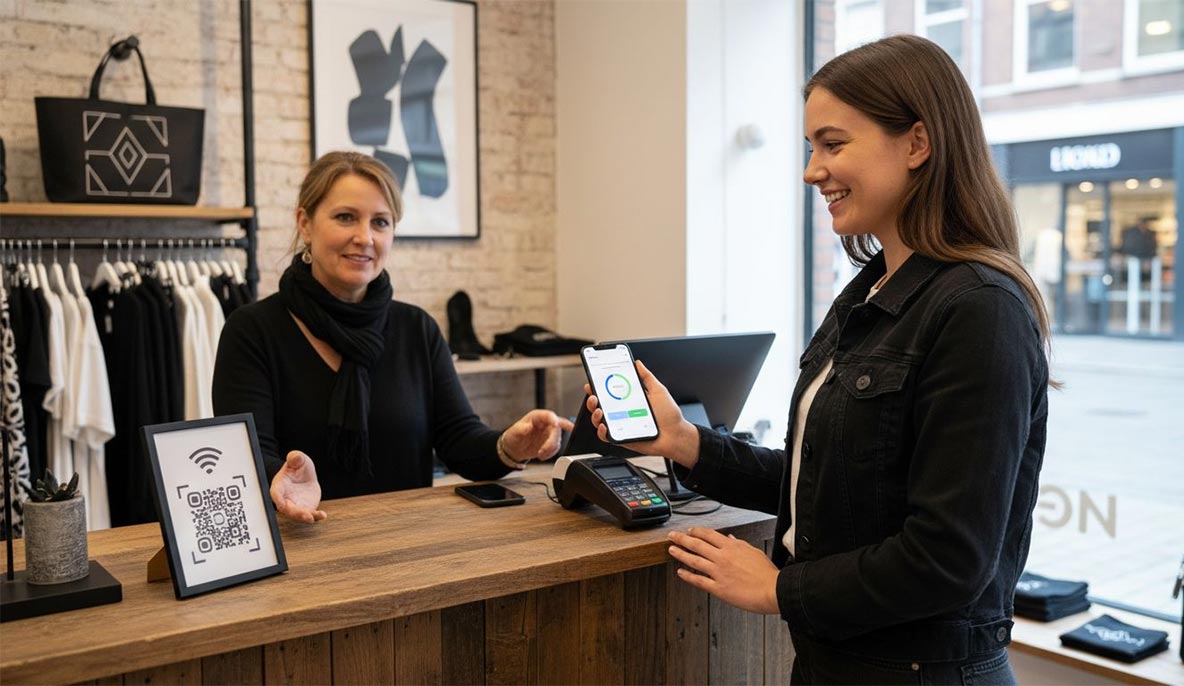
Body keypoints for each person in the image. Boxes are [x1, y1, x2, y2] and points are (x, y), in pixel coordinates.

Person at [586, 35, 1050, 685]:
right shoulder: (871, 292)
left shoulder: (979, 309)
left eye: (833, 145)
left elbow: (947, 558)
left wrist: (780, 591)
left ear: (917, 144)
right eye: (812, 148)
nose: (812, 170)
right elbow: (824, 484)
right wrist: (687, 442)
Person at [213, 151, 571, 522]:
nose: (364, 237)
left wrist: (508, 446)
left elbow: (459, 440)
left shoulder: (417, 329)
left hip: (405, 549)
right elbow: (246, 454)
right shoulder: (252, 330)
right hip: (300, 546)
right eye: (345, 217)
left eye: (380, 222)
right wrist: (278, 478)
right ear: (305, 223)